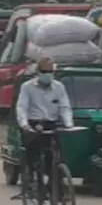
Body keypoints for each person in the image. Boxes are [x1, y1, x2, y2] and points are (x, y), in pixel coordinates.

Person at [16, 57, 73, 190]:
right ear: (38, 72)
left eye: (50, 71)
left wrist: (68, 124)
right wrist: (24, 124)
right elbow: (22, 107)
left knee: (56, 155)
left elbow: (65, 107)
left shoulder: (59, 87)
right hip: (33, 123)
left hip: (51, 124)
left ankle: (56, 184)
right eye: (44, 71)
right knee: (32, 150)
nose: (47, 74)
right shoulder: (27, 87)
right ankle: (31, 175)